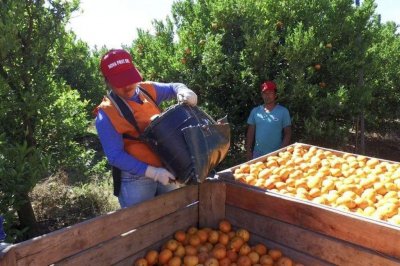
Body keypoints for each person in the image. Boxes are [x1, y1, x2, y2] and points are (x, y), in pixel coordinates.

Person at [95, 49, 198, 208]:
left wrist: (184, 91)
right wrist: (153, 173)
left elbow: (173, 87)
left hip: (166, 165)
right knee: (142, 223)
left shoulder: (146, 89)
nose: (127, 85)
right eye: (119, 82)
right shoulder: (106, 114)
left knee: (174, 215)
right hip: (136, 178)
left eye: (129, 78)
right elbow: (115, 156)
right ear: (107, 82)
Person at [246, 80, 291, 160]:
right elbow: (250, 133)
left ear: (275, 95)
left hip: (276, 155)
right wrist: (248, 151)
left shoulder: (283, 111)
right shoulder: (255, 111)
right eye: (265, 93)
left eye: (270, 93)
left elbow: (288, 133)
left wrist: (281, 152)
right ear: (262, 95)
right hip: (258, 154)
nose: (267, 96)